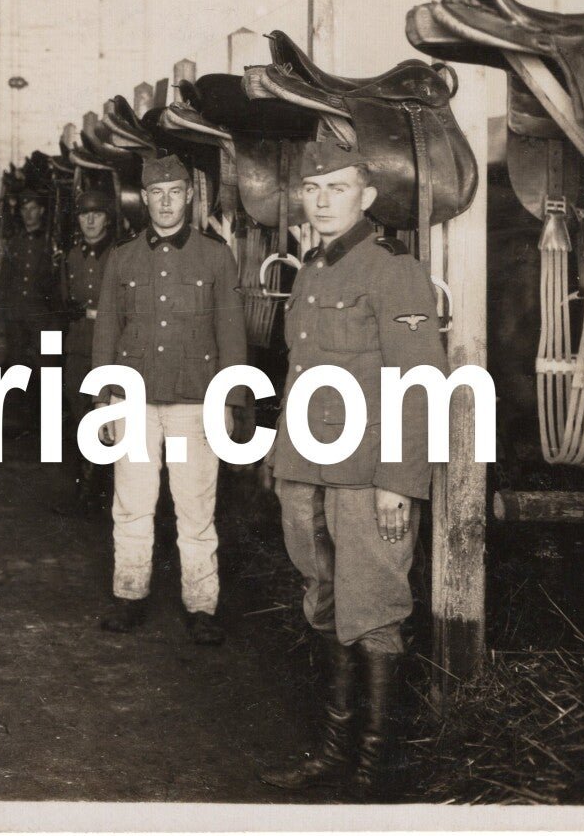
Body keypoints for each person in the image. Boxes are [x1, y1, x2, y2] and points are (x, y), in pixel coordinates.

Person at [257, 138, 446, 799]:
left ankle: (376, 765)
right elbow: (301, 371)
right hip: (306, 469)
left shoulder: (394, 270)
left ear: (366, 196)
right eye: (312, 189)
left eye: (337, 188)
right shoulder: (312, 268)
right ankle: (334, 752)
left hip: (368, 475)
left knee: (374, 609)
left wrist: (399, 480)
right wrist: (282, 461)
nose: (322, 200)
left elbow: (419, 383)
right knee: (324, 602)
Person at [91, 152, 245, 645]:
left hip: (194, 402)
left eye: (174, 192)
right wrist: (103, 398)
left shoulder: (215, 256)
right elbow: (108, 329)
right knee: (132, 503)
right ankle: (129, 594)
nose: (164, 203)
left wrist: (229, 400)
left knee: (195, 507)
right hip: (133, 400)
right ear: (144, 198)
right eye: (156, 194)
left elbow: (230, 333)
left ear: (189, 196)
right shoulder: (123, 256)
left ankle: (201, 606)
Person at [55, 186, 119, 516]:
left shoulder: (119, 255)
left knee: (108, 418)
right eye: (84, 215)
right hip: (79, 348)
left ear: (107, 219)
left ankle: (103, 491)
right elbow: (63, 302)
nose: (90, 221)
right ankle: (86, 488)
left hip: (112, 351)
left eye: (96, 214)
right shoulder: (71, 257)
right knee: (80, 415)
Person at [0, 186, 59, 369]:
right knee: (16, 369)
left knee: (49, 369)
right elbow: (3, 284)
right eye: (24, 209)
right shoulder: (14, 243)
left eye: (33, 208)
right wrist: (1, 322)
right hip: (17, 319)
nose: (28, 214)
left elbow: (60, 288)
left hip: (46, 320)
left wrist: (55, 326)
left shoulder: (52, 243)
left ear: (41, 210)